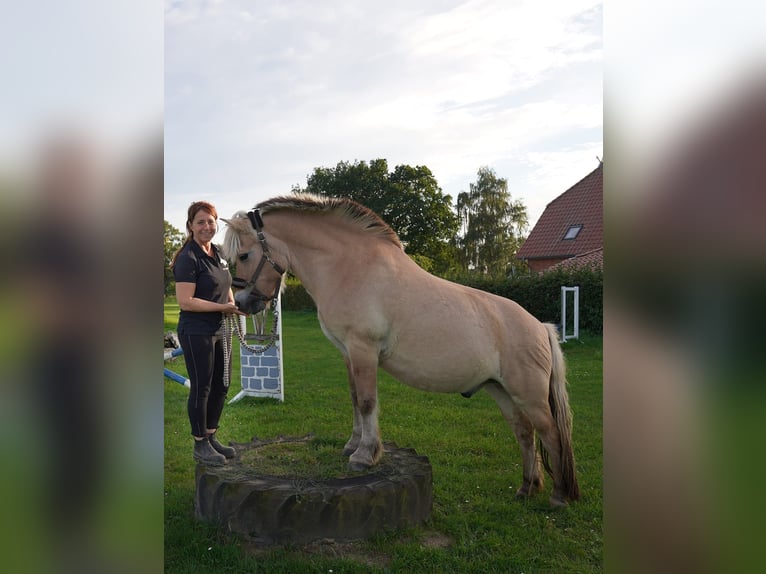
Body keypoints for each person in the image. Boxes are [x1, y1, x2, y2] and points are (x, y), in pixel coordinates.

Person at [171, 201, 246, 465]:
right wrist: (223, 307)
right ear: (190, 226)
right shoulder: (187, 258)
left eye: (211, 221)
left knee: (222, 385)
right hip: (196, 331)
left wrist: (233, 304)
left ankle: (212, 436)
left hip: (220, 328)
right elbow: (186, 301)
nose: (206, 226)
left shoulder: (219, 253)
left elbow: (226, 283)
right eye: (200, 221)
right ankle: (200, 443)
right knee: (202, 387)